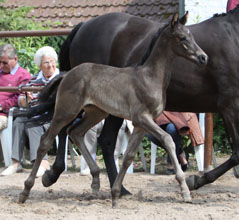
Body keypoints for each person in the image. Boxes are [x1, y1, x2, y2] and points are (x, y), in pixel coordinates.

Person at [1, 46, 59, 177]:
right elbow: (23, 101)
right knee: (20, 120)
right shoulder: (33, 80)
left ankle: (41, 162)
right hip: (37, 115)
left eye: (52, 61)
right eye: (46, 62)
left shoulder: (62, 79)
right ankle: (15, 163)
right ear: (39, 65)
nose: (50, 65)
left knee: (32, 123)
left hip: (54, 117)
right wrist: (26, 98)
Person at [0, 44, 31, 164]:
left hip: (5, 114)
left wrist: (2, 106)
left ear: (15, 59)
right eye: (0, 62)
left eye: (5, 63)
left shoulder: (23, 75)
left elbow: (20, 99)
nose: (1, 66)